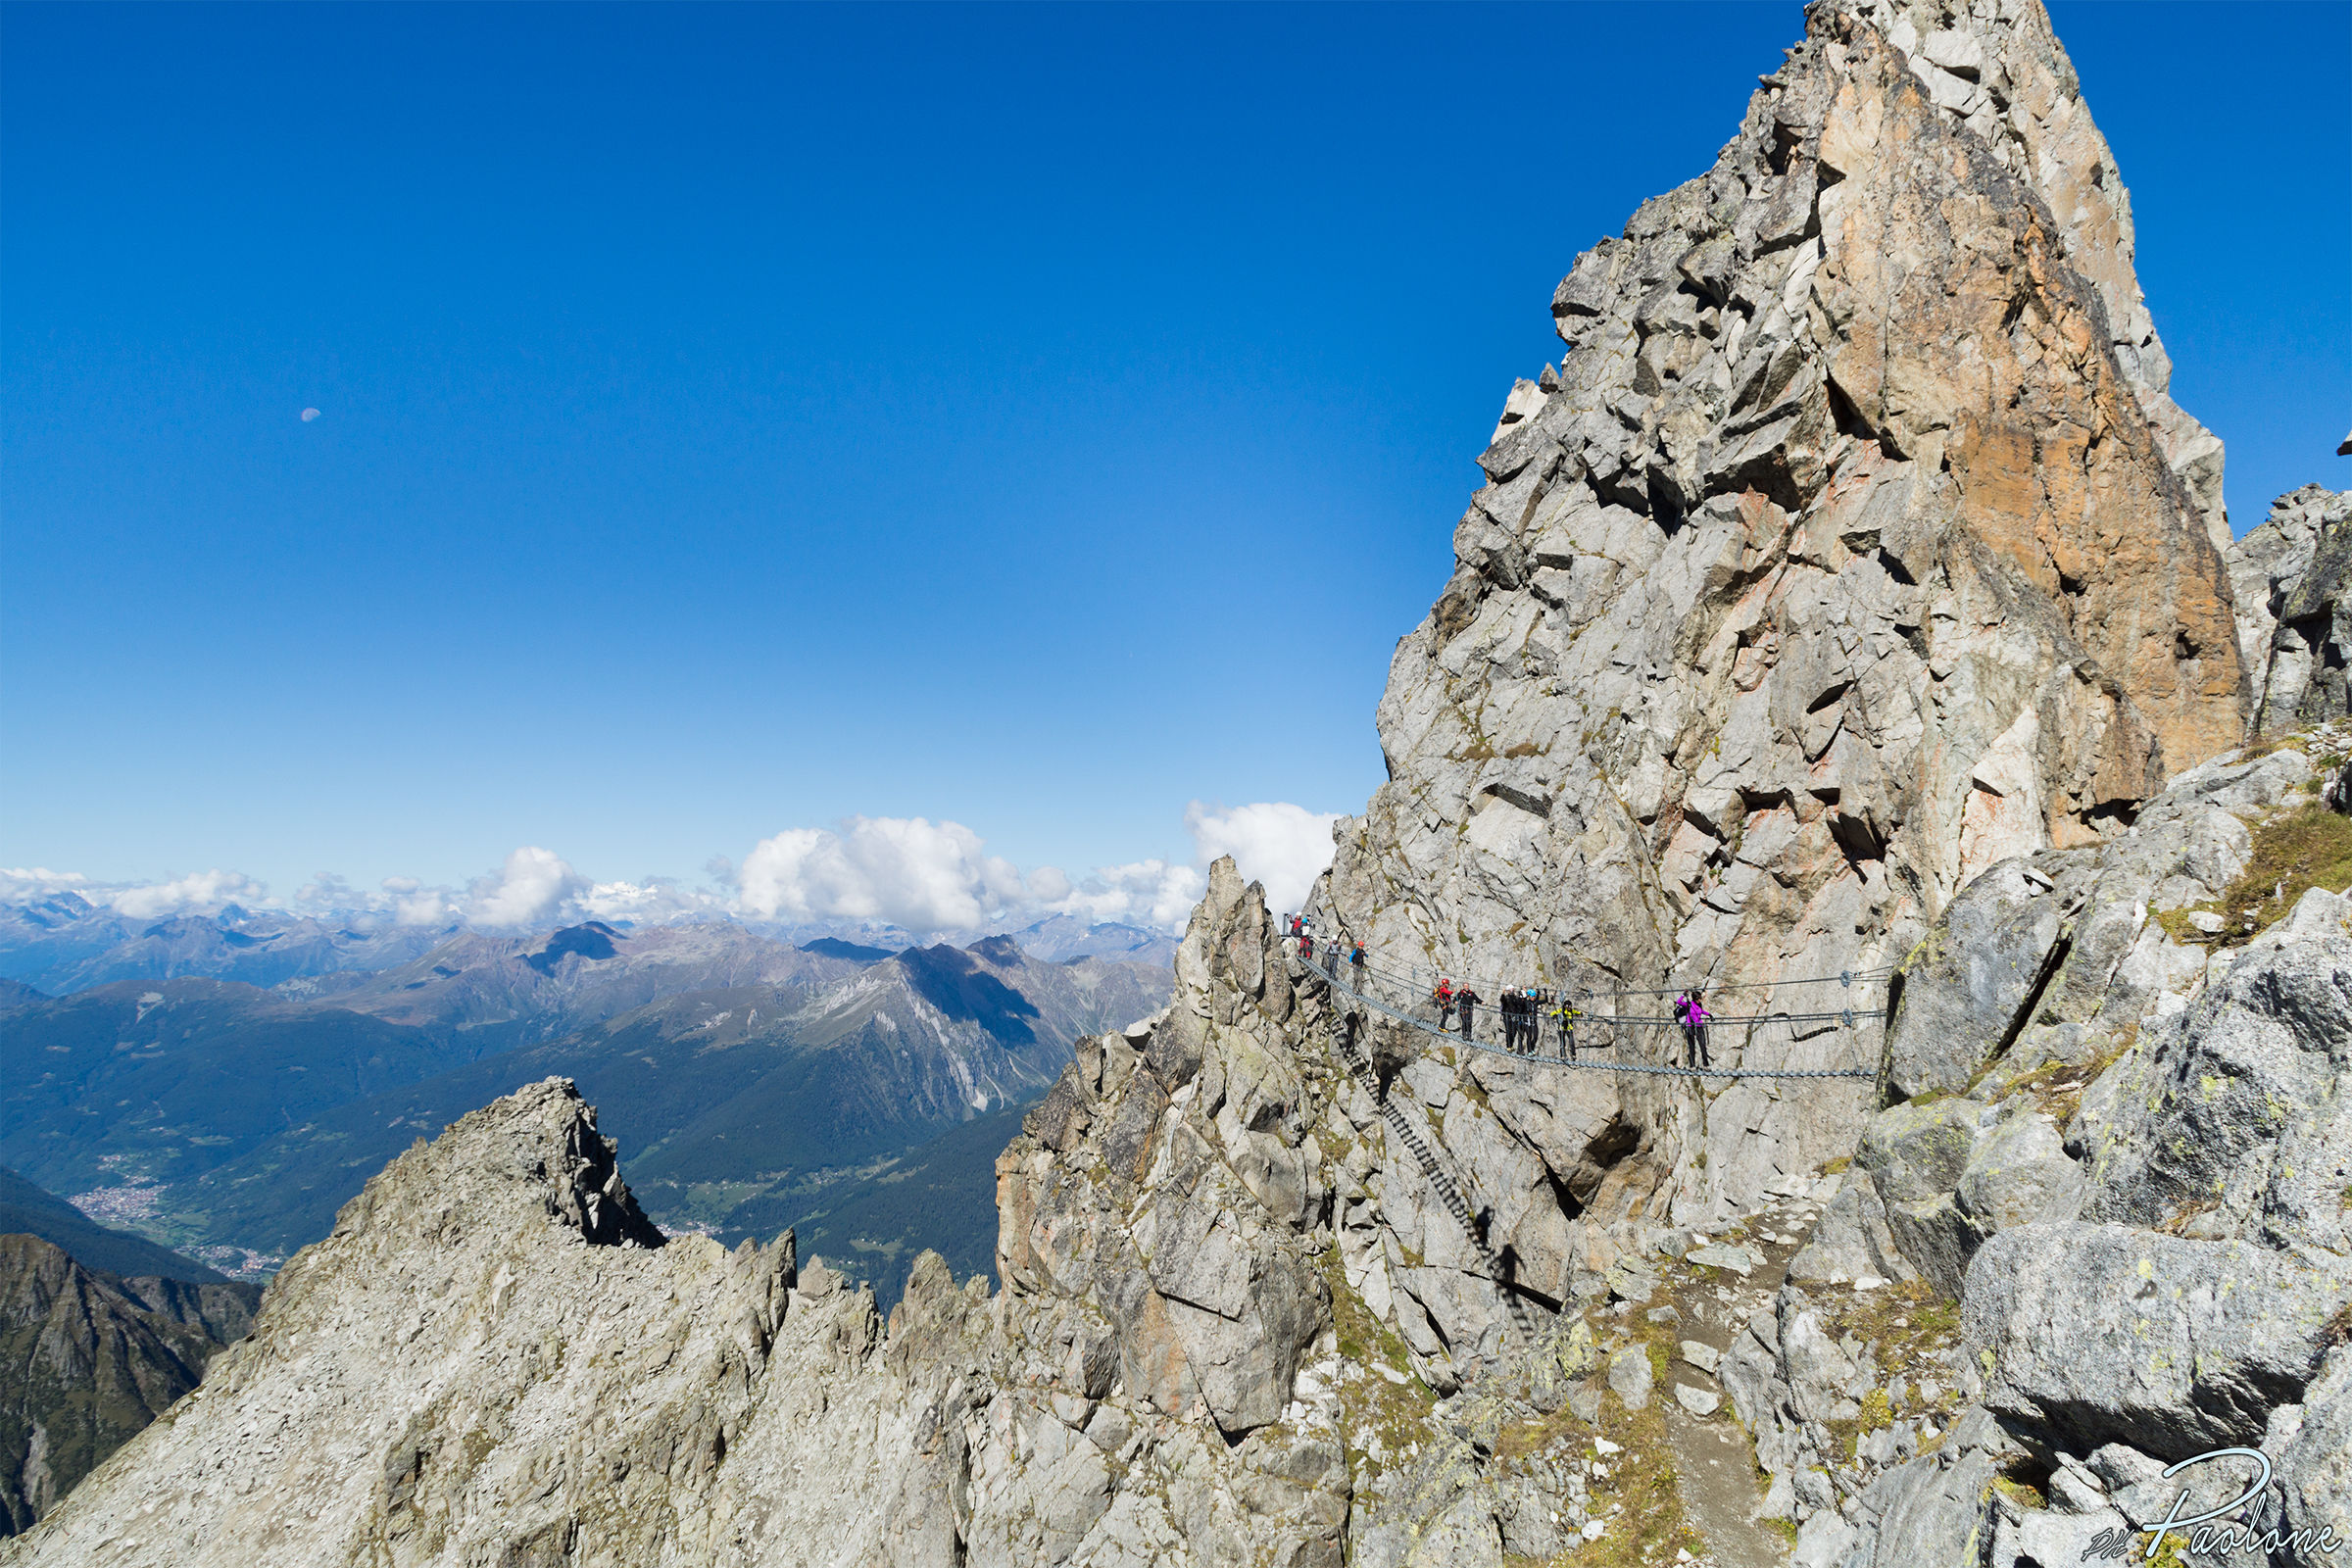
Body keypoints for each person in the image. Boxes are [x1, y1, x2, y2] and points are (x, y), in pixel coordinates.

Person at [1677, 988, 1712, 1068]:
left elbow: (1701, 1011)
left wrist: (1709, 1014)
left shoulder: (1699, 1004)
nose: (1700, 1000)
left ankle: (1706, 1065)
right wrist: (1683, 994)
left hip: (1699, 1026)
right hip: (1690, 1026)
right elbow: (1678, 1002)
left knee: (1703, 1046)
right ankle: (1692, 1066)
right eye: (1698, 999)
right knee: (1691, 1046)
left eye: (1700, 998)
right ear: (1695, 999)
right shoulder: (1688, 1004)